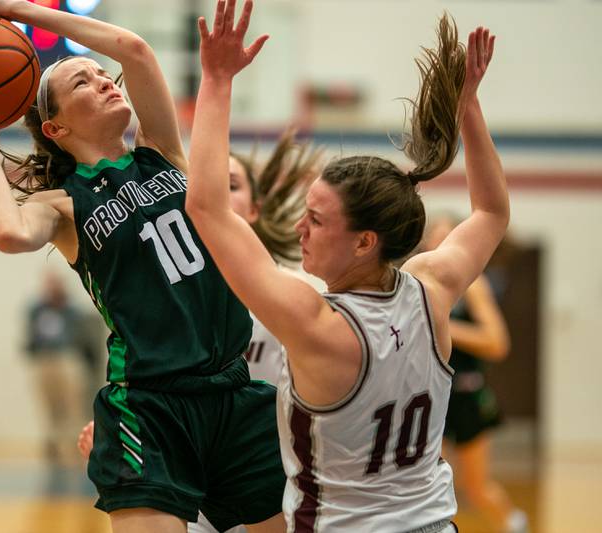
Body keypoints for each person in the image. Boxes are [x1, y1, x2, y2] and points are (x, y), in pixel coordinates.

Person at [0, 1, 284, 532]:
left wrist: (19, 10)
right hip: (148, 405)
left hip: (232, 390)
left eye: (100, 74)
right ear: (56, 128)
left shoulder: (163, 154)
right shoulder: (63, 205)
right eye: (82, 84)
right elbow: (7, 232)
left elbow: (133, 50)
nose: (105, 82)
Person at [186, 3, 507, 531]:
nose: (299, 230)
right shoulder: (434, 289)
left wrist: (218, 80)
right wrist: (468, 107)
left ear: (363, 242)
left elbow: (206, 208)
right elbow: (493, 211)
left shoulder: (316, 325)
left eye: (315, 219)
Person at [77, 128, 323, 533]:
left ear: (255, 209)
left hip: (269, 469)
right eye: (202, 183)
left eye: (230, 185)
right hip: (193, 482)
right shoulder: (166, 297)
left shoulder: (300, 294)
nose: (212, 192)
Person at [424, 216, 529, 533]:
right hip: (431, 396)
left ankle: (514, 525)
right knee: (427, 481)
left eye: (447, 238)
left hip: (466, 393)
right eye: (434, 239)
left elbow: (496, 343)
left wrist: (444, 325)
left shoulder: (473, 284)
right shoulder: (418, 283)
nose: (440, 246)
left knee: (476, 487)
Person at [24, 268, 98, 465]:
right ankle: (53, 451)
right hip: (44, 360)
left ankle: (76, 451)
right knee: (50, 408)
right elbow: (30, 336)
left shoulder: (72, 311)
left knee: (73, 407)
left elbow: (83, 337)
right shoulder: (36, 310)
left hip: (67, 358)